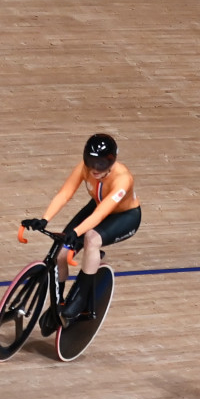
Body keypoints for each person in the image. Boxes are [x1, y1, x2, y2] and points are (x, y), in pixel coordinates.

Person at [21, 134, 141, 322]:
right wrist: (45, 219)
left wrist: (76, 233)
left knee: (91, 239)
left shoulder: (123, 179)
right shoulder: (84, 168)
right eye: (91, 161)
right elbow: (64, 194)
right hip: (97, 206)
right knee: (61, 253)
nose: (94, 168)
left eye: (101, 164)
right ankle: (58, 303)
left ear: (111, 161)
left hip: (124, 216)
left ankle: (81, 297)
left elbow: (101, 215)